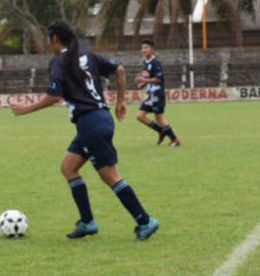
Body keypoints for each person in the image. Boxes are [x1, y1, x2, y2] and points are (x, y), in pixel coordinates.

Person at [10, 20, 159, 242]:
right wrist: (120, 102)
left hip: (91, 123)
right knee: (68, 167)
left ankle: (145, 221)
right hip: (96, 120)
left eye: (49, 40)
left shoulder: (59, 62)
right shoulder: (88, 56)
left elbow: (54, 95)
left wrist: (25, 109)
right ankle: (88, 222)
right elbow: (119, 70)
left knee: (110, 176)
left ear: (55, 39)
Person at [135, 39, 181, 147]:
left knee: (159, 117)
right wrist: (142, 84)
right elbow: (147, 76)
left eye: (146, 47)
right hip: (150, 94)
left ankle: (175, 139)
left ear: (152, 49)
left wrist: (144, 81)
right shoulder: (144, 62)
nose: (143, 50)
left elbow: (159, 79)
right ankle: (161, 131)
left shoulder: (156, 63)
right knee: (140, 116)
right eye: (142, 48)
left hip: (157, 94)